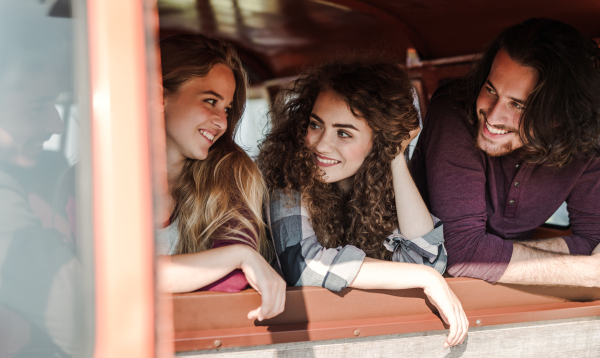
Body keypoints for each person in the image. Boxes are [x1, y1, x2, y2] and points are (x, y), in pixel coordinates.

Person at [258, 59, 468, 348]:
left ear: (377, 142)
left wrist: (394, 155)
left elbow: (426, 257)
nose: (321, 144)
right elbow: (303, 265)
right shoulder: (286, 175)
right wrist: (426, 279)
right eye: (316, 125)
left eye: (343, 133)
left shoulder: (375, 186)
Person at [410, 18, 600, 286]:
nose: (493, 116)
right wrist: (586, 273)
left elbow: (594, 240)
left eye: (518, 105)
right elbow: (464, 253)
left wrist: (493, 251)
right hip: (425, 281)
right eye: (490, 89)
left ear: (560, 115)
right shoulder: (454, 111)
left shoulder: (587, 136)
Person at [156, 34, 286, 321]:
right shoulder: (93, 180)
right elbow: (101, 280)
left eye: (226, 108)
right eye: (210, 101)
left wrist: (238, 258)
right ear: (158, 97)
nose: (222, 121)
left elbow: (232, 281)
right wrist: (238, 255)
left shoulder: (230, 175)